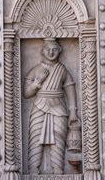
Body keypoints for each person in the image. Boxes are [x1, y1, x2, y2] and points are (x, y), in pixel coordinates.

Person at [24, 39, 79, 175]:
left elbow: (70, 90)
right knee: (36, 137)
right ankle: (33, 170)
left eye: (54, 49)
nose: (51, 52)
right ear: (42, 51)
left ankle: (58, 171)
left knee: (59, 136)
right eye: (48, 49)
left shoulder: (62, 70)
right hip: (39, 105)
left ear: (60, 51)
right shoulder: (36, 70)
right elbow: (26, 94)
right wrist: (37, 83)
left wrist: (73, 111)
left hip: (59, 105)